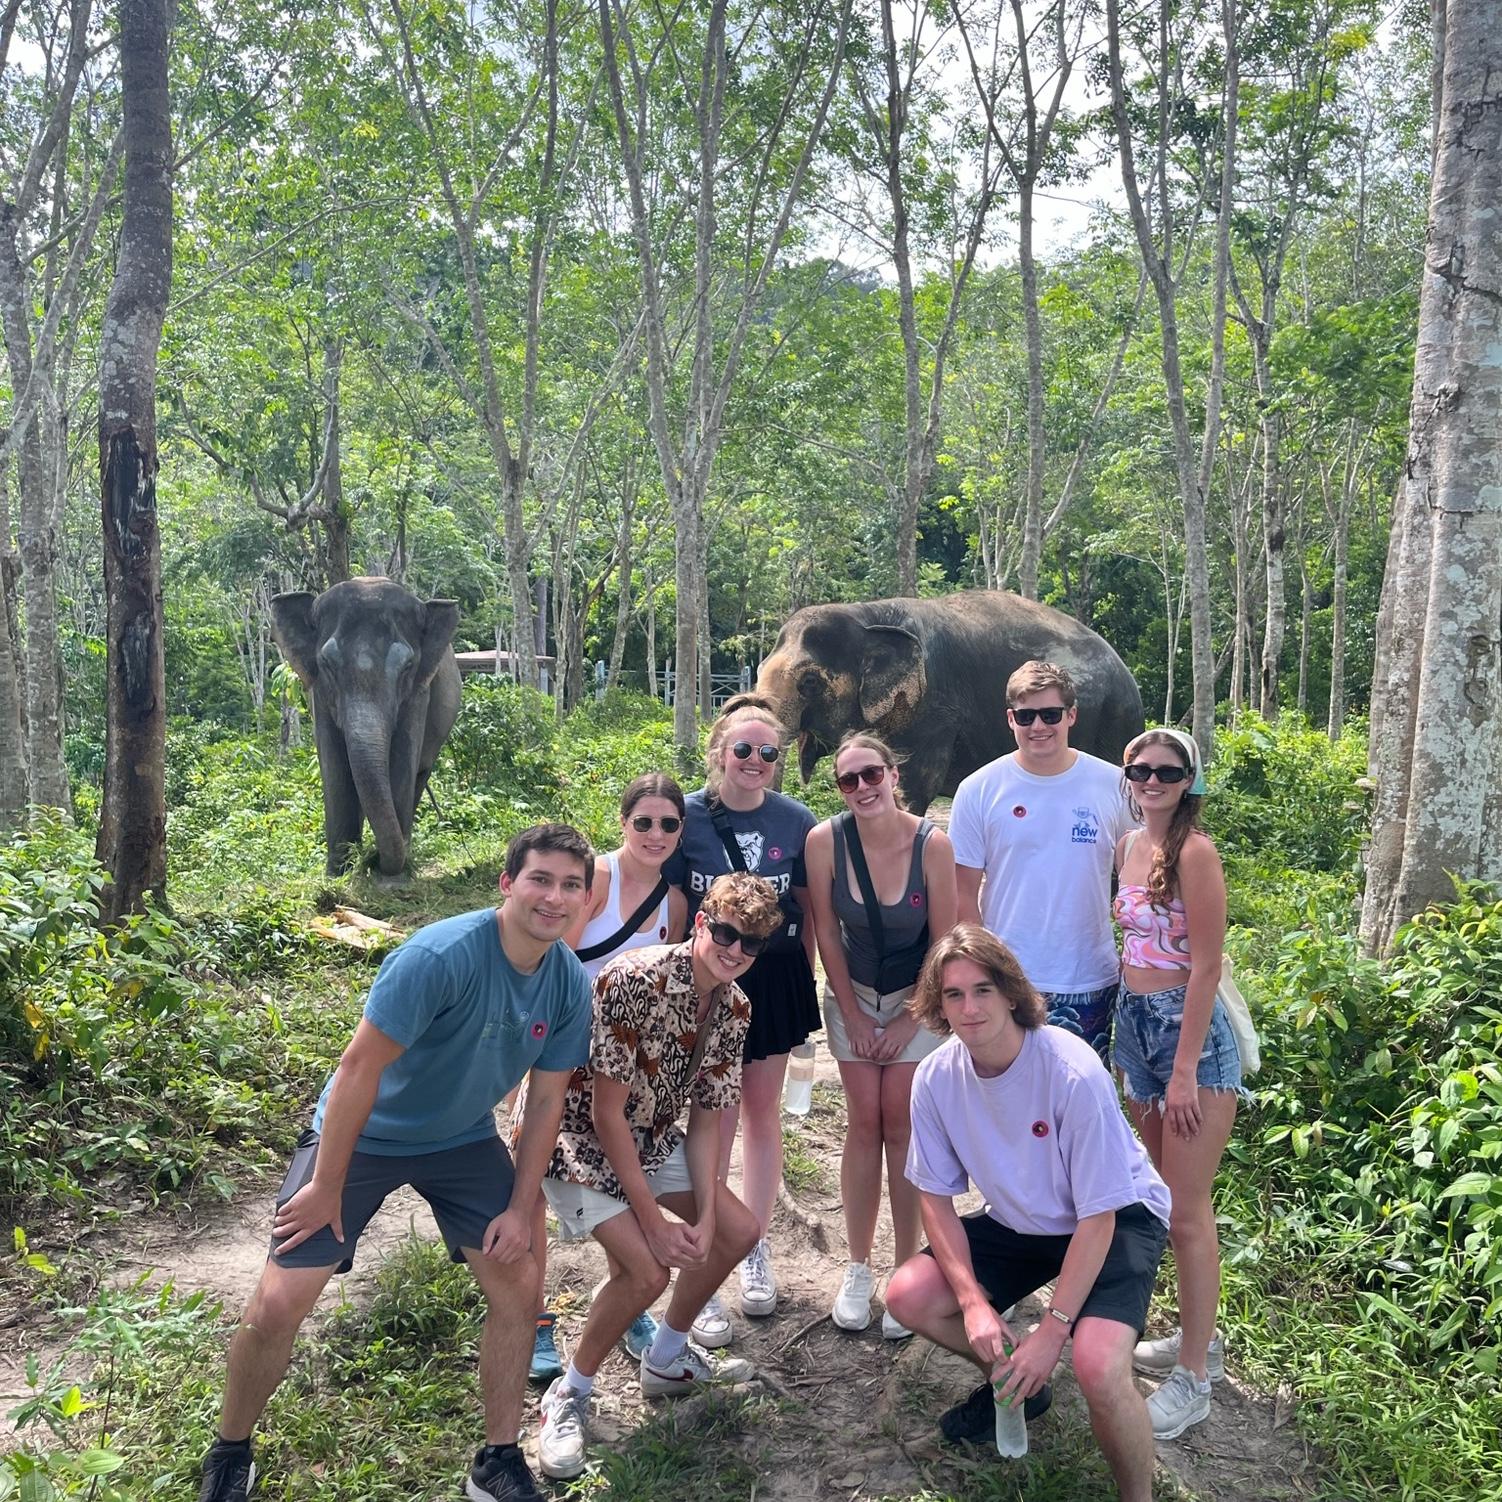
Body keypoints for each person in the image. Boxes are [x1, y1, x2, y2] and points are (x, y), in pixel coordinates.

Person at [195, 824, 597, 1502]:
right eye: (540, 879)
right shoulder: (440, 956)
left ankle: (498, 1460)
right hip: (365, 1135)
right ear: (507, 883)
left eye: (570, 886)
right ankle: (230, 1449)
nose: (553, 898)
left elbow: (549, 1098)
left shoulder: (566, 985)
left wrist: (520, 1205)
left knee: (520, 1287)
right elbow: (357, 1070)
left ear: (585, 898)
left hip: (461, 1139)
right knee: (278, 1302)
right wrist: (326, 1185)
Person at [885, 925, 1172, 1502]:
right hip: (1023, 1218)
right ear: (937, 1006)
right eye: (953, 994)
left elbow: (1099, 1217)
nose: (970, 1008)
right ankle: (1017, 1383)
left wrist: (1052, 1330)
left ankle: (1137, 1495)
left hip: (1118, 1215)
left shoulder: (1070, 1070)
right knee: (908, 1295)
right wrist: (973, 1304)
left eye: (982, 989)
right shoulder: (937, 1079)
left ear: (1012, 992)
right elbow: (934, 1196)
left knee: (1094, 1365)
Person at [528, 873, 783, 1481]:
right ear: (701, 923)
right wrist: (653, 1217)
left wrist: (710, 1217)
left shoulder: (736, 1005)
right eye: (726, 932)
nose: (736, 950)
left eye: (751, 944)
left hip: (653, 1134)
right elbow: (603, 1113)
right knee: (647, 1268)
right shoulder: (635, 980)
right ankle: (570, 1394)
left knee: (738, 1231)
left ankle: (666, 1357)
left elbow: (705, 1121)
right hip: (578, 1138)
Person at [522, 775, 690, 1383]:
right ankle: (536, 1320)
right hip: (560, 1052)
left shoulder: (673, 903)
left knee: (617, 1180)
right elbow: (555, 966)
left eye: (668, 824)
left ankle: (625, 1302)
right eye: (643, 821)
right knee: (537, 1189)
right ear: (623, 823)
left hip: (621, 1071)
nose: (654, 834)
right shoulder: (595, 880)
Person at [666, 704, 819, 1342]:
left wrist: (803, 982)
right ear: (719, 752)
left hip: (772, 976)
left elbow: (807, 912)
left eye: (769, 754)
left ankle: (751, 1246)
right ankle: (705, 1251)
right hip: (705, 977)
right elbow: (675, 912)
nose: (756, 763)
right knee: (711, 1116)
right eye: (744, 751)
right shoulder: (689, 818)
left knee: (760, 1113)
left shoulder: (796, 822)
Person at [805, 732, 956, 1339]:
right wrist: (856, 1015)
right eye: (849, 781)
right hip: (852, 993)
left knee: (903, 1121)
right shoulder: (826, 841)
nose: (863, 788)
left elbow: (945, 941)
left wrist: (904, 1021)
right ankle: (858, 1265)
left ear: (895, 775)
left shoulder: (932, 844)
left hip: (918, 996)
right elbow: (825, 931)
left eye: (872, 775)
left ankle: (905, 1271)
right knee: (863, 1119)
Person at [1113, 728, 1239, 1440]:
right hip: (1137, 1027)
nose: (1152, 778)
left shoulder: (1196, 850)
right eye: (1141, 768)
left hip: (1186, 1037)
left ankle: (1193, 1379)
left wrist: (1185, 1068)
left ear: (1189, 778)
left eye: (1166, 770)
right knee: (1160, 1198)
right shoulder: (1133, 845)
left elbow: (1206, 967)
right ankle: (1203, 1343)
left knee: (1188, 1211)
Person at [949, 660, 1135, 1064]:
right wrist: (983, 973)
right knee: (1004, 1101)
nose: (1038, 726)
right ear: (1010, 719)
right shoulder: (979, 789)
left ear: (1071, 716)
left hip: (1088, 977)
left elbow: (1141, 874)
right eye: (1026, 715)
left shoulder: (1114, 785)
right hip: (1007, 978)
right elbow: (962, 893)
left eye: (1050, 714)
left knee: (1079, 1107)